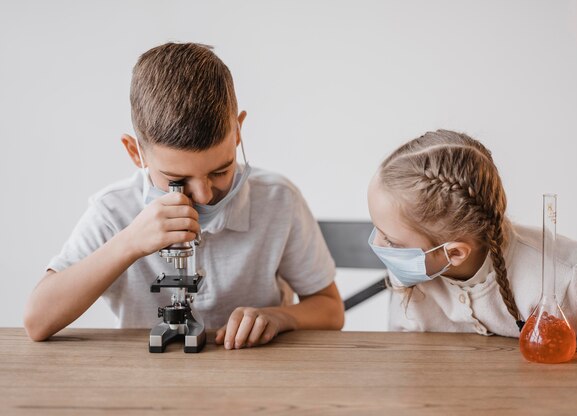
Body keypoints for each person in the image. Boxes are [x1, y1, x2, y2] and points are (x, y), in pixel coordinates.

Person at [24, 42, 344, 348]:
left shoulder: (278, 200)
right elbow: (37, 321)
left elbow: (330, 309)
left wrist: (280, 316)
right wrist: (129, 243)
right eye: (177, 180)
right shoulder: (114, 211)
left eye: (220, 171)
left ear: (238, 132)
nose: (203, 196)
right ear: (136, 153)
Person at [367, 129, 577, 337]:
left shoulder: (566, 285)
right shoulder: (412, 274)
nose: (378, 245)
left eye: (390, 240)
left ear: (455, 253)